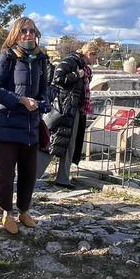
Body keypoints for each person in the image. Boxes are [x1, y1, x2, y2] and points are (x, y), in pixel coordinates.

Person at [0, 16, 50, 234]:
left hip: (31, 127)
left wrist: (43, 104)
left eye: (32, 30)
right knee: (6, 175)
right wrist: (21, 100)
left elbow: (46, 89)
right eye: (23, 30)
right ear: (16, 33)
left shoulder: (42, 58)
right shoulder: (7, 56)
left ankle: (24, 210)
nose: (28, 34)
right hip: (7, 125)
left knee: (29, 174)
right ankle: (6, 213)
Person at [39, 41, 98, 188]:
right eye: (95, 56)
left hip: (75, 109)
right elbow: (57, 79)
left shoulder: (83, 66)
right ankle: (32, 175)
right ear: (89, 53)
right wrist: (76, 75)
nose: (95, 60)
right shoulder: (71, 61)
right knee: (52, 142)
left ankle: (63, 178)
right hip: (63, 109)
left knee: (69, 145)